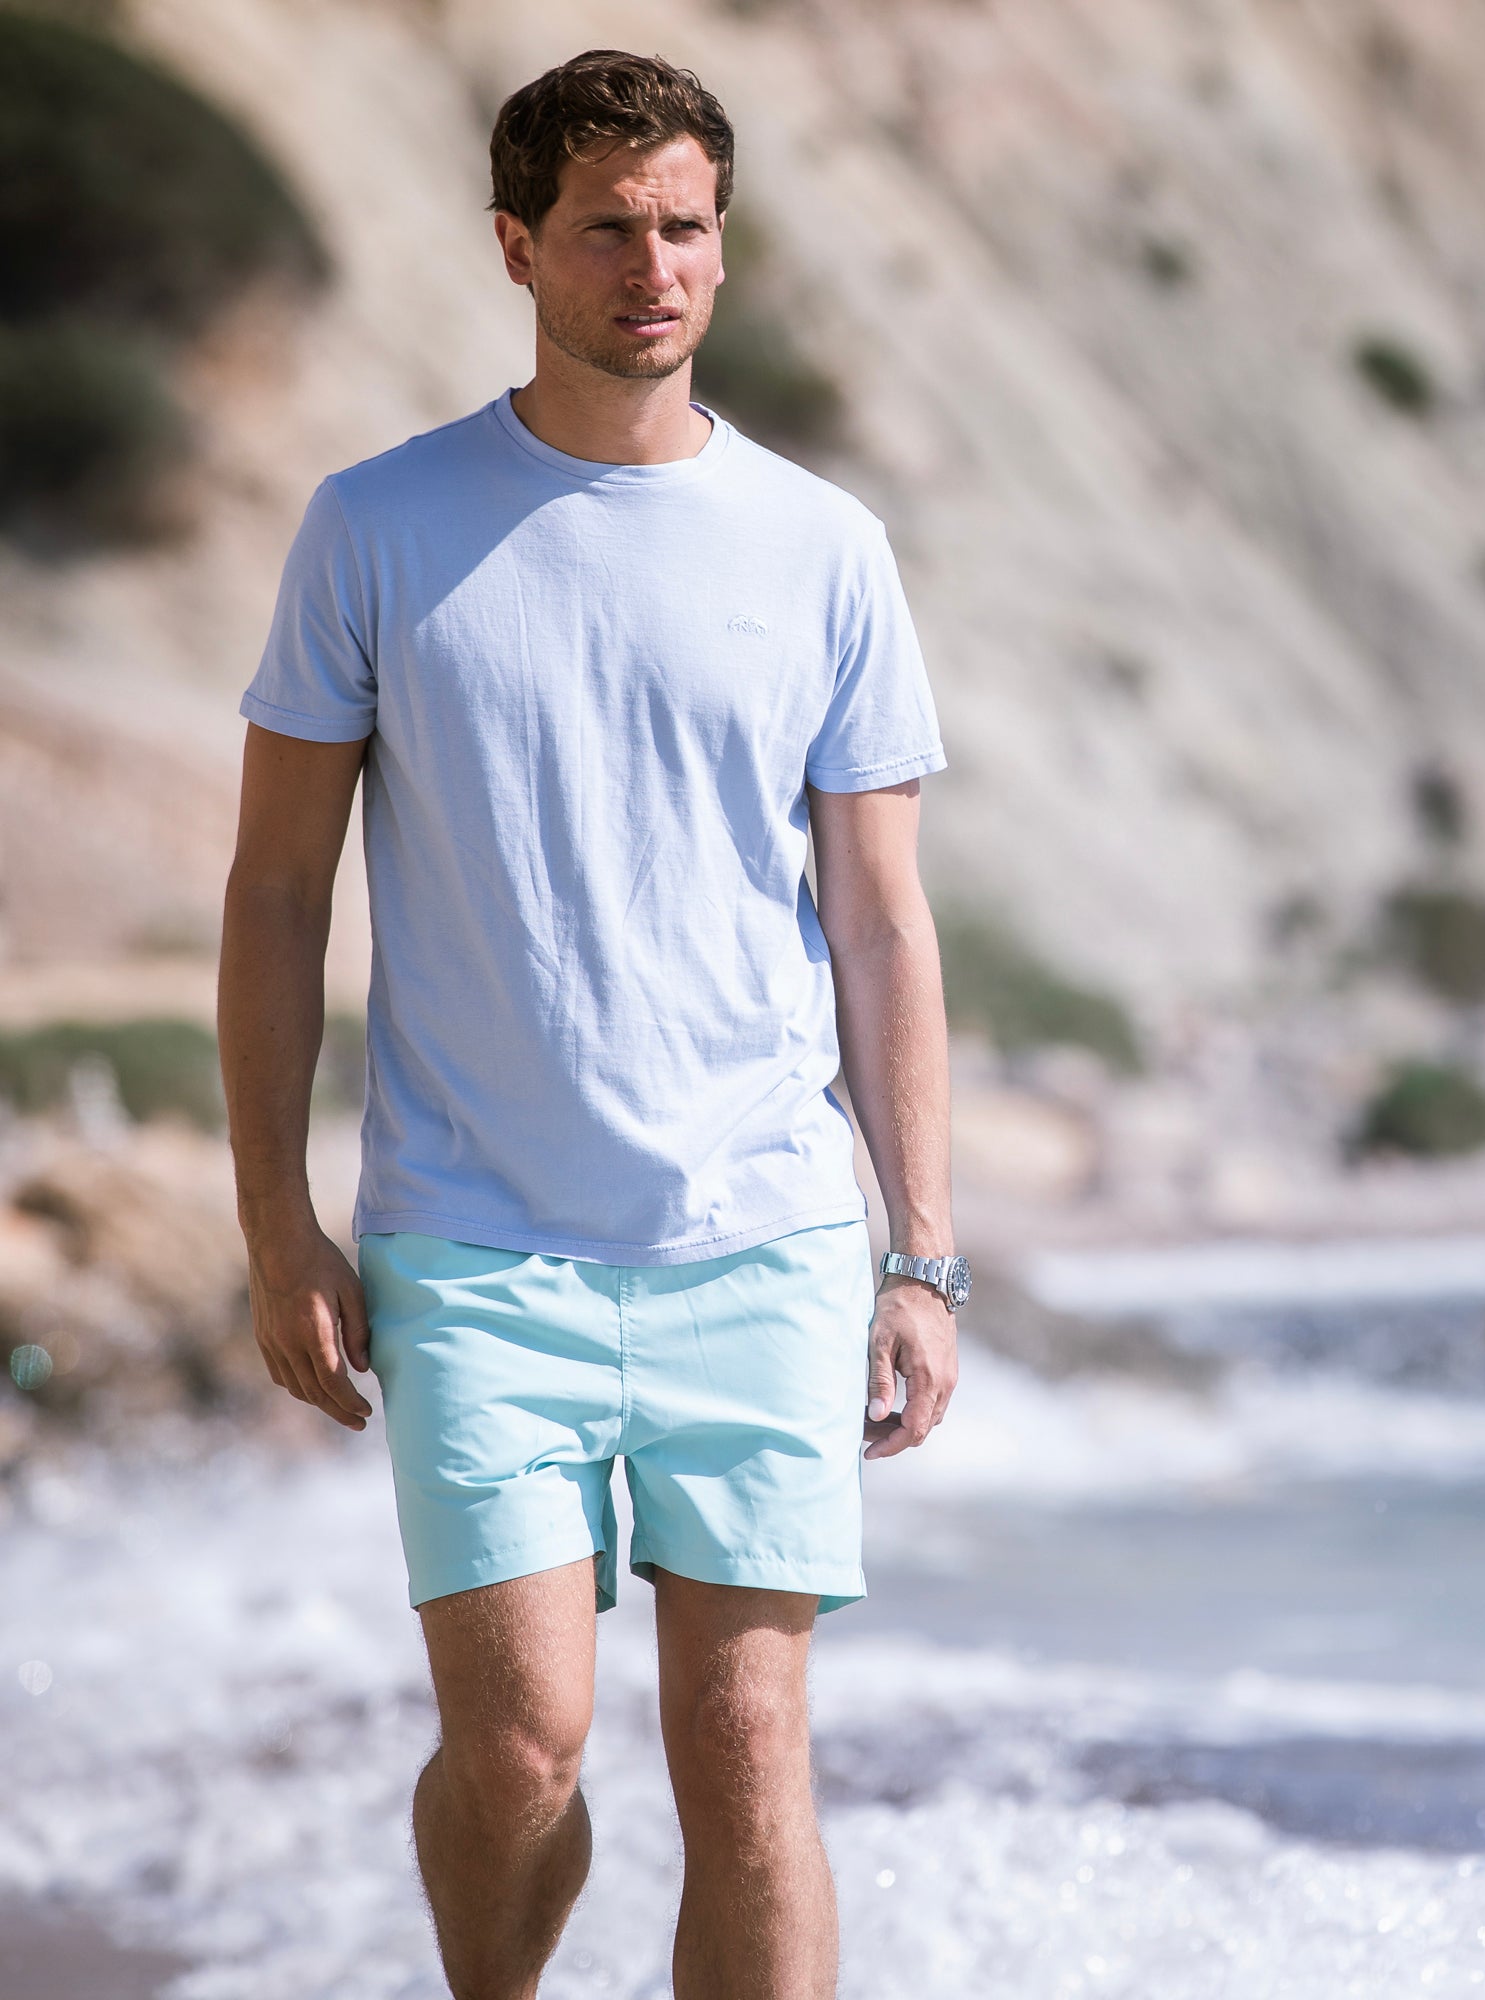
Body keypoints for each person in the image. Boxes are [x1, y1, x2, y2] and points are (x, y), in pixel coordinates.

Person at [216, 49, 969, 2000]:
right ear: (515, 248)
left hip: (762, 1229)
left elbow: (883, 924)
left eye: (689, 227)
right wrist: (274, 1223)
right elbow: (278, 894)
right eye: (612, 229)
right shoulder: (377, 528)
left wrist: (925, 1256)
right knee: (523, 1741)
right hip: (475, 1237)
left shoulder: (823, 546)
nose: (656, 267)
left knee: (746, 1755)